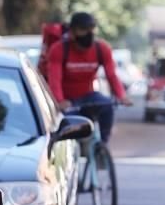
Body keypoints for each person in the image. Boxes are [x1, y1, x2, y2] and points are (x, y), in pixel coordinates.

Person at [46, 12, 132, 143]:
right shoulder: (59, 50)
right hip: (67, 100)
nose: (88, 34)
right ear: (72, 32)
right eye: (83, 30)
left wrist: (122, 96)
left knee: (107, 106)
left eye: (91, 29)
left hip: (89, 96)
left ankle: (102, 146)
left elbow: (111, 75)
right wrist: (60, 101)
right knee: (67, 125)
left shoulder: (102, 48)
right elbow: (54, 80)